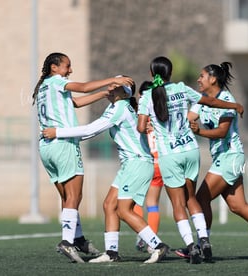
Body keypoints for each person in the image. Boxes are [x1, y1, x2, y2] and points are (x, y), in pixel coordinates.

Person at [42, 79, 170, 264]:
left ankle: (158, 246)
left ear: (125, 92)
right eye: (111, 84)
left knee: (124, 211)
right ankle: (111, 253)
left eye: (115, 85)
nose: (110, 87)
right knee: (109, 205)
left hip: (138, 163)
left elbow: (90, 129)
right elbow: (89, 132)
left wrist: (58, 133)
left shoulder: (120, 107)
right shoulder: (115, 107)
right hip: (130, 164)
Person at [137, 56, 244, 264]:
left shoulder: (147, 96)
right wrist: (235, 105)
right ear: (170, 72)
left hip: (170, 155)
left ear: (152, 73)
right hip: (190, 150)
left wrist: (149, 123)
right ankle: (204, 239)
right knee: (191, 199)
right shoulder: (181, 88)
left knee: (178, 204)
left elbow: (141, 128)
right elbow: (211, 101)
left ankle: (191, 246)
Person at [33, 52, 133, 263]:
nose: (70, 70)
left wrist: (103, 94)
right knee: (74, 197)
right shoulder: (58, 81)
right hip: (63, 144)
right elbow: (85, 87)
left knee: (67, 198)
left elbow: (75, 103)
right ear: (54, 67)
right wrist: (113, 80)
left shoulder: (44, 86)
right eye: (67, 66)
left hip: (46, 146)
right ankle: (67, 242)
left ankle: (77, 239)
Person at [185, 62, 248, 261]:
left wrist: (199, 131)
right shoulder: (202, 101)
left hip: (231, 157)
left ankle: (200, 245)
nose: (198, 80)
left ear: (213, 79)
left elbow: (222, 132)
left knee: (200, 199)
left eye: (202, 76)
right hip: (223, 158)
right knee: (238, 206)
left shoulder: (226, 99)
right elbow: (186, 118)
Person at [133, 81, 164, 253]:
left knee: (135, 200)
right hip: (162, 162)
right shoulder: (161, 111)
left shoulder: (140, 113)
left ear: (140, 96)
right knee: (153, 204)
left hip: (146, 161)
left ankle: (142, 235)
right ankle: (153, 243)